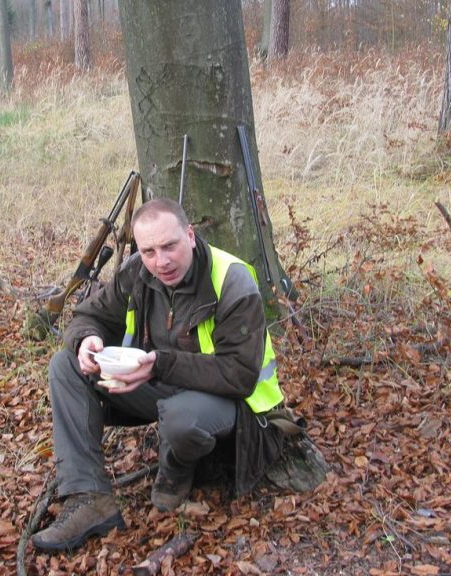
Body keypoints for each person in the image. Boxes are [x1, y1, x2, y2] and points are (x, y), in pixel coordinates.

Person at [31, 198, 287, 553]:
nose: (160, 261)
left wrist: (159, 364)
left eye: (170, 246)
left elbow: (240, 374)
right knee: (65, 365)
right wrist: (86, 339)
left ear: (191, 235)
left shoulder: (231, 279)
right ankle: (88, 498)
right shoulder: (138, 270)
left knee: (182, 418)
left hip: (231, 404)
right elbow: (88, 316)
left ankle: (176, 473)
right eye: (149, 251)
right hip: (158, 387)